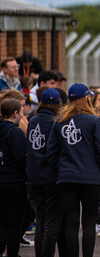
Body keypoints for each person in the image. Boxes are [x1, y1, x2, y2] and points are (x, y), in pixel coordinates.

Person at [47, 83, 100, 257]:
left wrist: (61, 168)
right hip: (90, 178)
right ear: (85, 99)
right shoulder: (94, 121)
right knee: (89, 222)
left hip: (66, 178)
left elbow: (51, 153)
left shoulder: (60, 122)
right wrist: (96, 167)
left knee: (72, 223)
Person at [26, 88, 63, 257]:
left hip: (34, 176)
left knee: (40, 220)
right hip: (50, 177)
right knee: (51, 222)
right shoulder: (56, 122)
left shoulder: (33, 120)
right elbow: (54, 151)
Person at [0, 98, 28, 257]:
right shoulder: (15, 132)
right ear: (15, 113)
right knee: (15, 224)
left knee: (2, 222)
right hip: (14, 182)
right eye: (22, 112)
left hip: (1, 180)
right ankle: (12, 253)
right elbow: (20, 157)